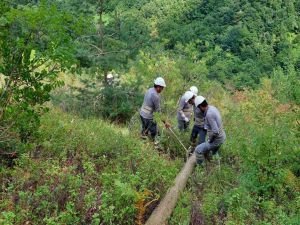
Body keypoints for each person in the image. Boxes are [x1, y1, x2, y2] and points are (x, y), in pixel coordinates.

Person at [194, 96, 226, 164]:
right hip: (222, 137)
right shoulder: (212, 108)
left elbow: (215, 131)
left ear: (201, 107)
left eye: (199, 108)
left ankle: (200, 168)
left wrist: (210, 141)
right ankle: (217, 166)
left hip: (217, 139)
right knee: (214, 152)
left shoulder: (209, 114)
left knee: (198, 150)